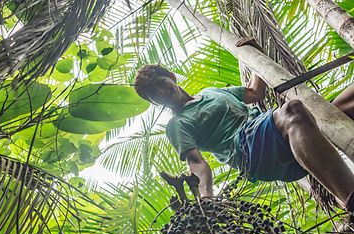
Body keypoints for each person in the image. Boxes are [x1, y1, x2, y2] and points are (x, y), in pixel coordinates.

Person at [134, 38, 354, 212]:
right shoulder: (177, 124)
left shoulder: (210, 93)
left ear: (171, 77)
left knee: (341, 105)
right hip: (249, 150)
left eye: (161, 85)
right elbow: (196, 162)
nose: (163, 94)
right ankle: (351, 199)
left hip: (280, 136)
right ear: (154, 103)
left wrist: (255, 53)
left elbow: (254, 92)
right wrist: (207, 200)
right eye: (155, 95)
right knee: (293, 110)